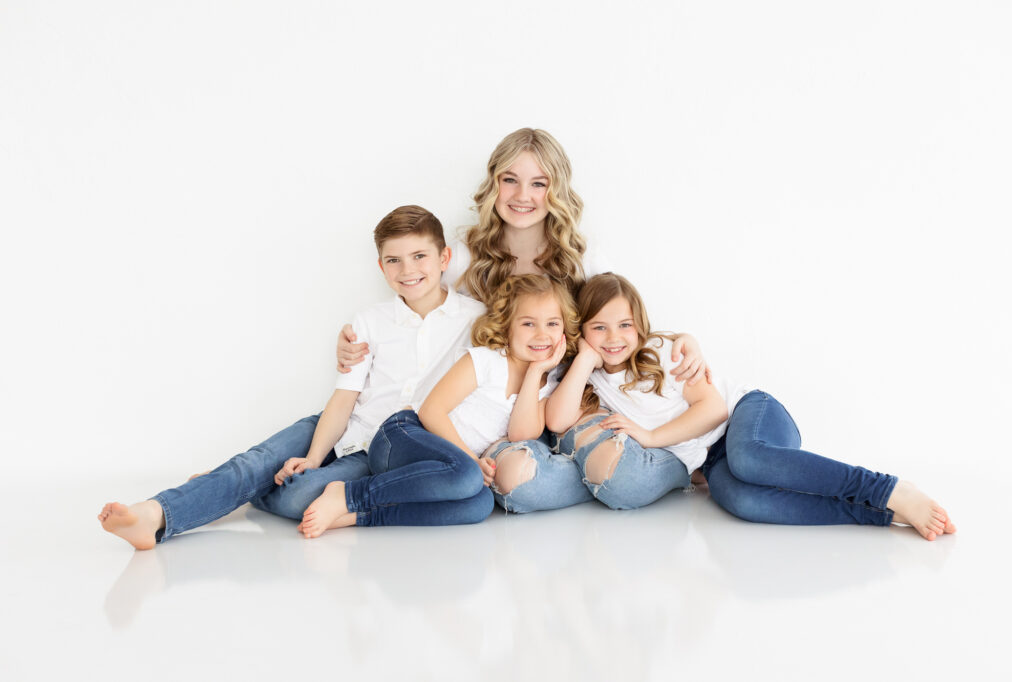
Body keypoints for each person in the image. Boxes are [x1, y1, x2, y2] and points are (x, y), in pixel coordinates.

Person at [335, 128, 708, 510]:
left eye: (538, 183)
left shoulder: (581, 256)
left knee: (620, 476)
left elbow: (618, 319)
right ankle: (601, 475)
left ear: (557, 189)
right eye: (509, 180)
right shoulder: (465, 258)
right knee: (516, 488)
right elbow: (417, 299)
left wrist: (680, 338)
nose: (522, 196)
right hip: (498, 414)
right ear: (493, 184)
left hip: (565, 402)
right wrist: (357, 341)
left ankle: (672, 464)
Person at [99, 205, 488, 549]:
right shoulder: (370, 321)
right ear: (380, 266)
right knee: (254, 462)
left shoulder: (475, 320)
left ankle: (234, 491)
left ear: (444, 258)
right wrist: (314, 456)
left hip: (385, 452)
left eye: (419, 256)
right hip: (342, 425)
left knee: (300, 497)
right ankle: (154, 514)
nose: (408, 270)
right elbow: (344, 398)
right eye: (394, 260)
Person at [545, 273, 956, 540]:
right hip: (713, 457)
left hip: (750, 414)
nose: (613, 338)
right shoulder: (591, 378)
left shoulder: (661, 352)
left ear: (641, 325)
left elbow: (713, 411)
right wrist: (583, 358)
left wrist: (651, 437)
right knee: (743, 502)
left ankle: (887, 488)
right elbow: (559, 419)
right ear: (583, 332)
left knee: (749, 460)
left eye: (624, 325)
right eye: (599, 328)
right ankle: (880, 513)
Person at [299, 274, 576, 536]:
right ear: (506, 325)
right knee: (468, 475)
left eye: (552, 324)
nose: (542, 335)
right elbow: (431, 411)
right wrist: (470, 458)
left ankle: (361, 515)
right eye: (528, 324)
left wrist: (536, 373)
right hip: (401, 437)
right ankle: (348, 495)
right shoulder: (486, 360)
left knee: (480, 504)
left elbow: (521, 434)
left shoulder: (547, 383)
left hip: (441, 468)